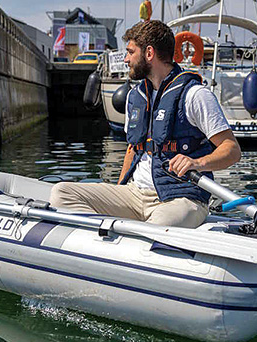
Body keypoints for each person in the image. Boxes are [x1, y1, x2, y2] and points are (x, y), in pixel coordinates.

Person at [49, 20, 240, 229]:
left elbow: (231, 150)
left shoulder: (194, 95)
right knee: (61, 193)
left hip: (180, 198)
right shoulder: (135, 96)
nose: (126, 59)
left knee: (153, 230)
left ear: (149, 53)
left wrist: (198, 163)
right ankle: (105, 242)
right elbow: (133, 149)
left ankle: (129, 240)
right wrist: (119, 190)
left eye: (131, 52)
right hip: (135, 194)